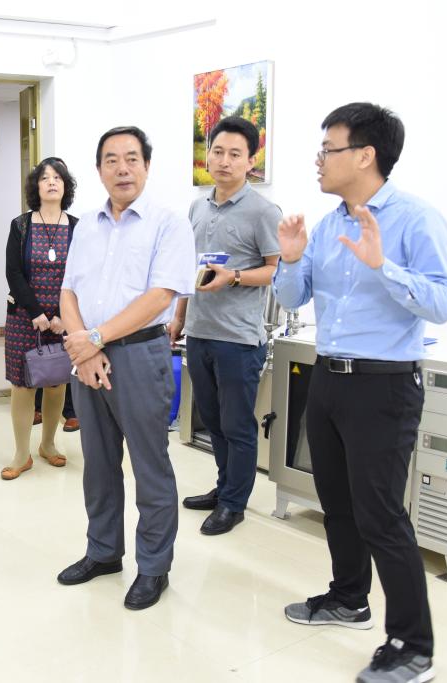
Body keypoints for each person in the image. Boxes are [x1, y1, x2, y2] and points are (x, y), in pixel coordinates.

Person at [274, 103, 447, 683]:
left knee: (381, 516)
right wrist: (290, 259)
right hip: (328, 377)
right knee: (338, 504)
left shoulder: (416, 219)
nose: (319, 160)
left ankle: (413, 647)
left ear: (364, 155)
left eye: (328, 149)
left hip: (384, 386)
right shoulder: (330, 223)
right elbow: (294, 296)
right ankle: (349, 599)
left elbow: (444, 302)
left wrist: (385, 267)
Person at [56, 127, 194, 610]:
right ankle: (103, 552)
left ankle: (153, 567)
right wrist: (86, 348)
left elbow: (160, 296)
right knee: (97, 463)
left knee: (149, 466)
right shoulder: (85, 226)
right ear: (99, 170)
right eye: (111, 160)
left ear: (147, 166)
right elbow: (68, 290)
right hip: (88, 356)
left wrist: (96, 339)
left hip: (139, 354)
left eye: (132, 158)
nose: (122, 168)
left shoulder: (169, 224)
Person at [170, 116, 282, 535]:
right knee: (213, 422)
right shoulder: (197, 207)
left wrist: (233, 276)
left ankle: (235, 503)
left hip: (238, 338)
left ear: (251, 161)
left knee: (237, 426)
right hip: (200, 333)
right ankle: (224, 488)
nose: (224, 160)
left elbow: (276, 270)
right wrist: (179, 317)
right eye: (217, 151)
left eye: (235, 154)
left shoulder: (263, 211)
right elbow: (189, 268)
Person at [2, 157, 79, 480]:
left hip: (65, 317)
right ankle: (22, 454)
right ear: (36, 186)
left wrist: (61, 315)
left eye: (57, 177)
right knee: (22, 385)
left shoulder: (77, 227)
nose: (51, 182)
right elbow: (13, 272)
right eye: (45, 178)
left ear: (65, 186)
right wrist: (36, 312)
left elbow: (80, 274)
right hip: (24, 316)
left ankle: (48, 444)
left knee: (56, 381)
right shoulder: (21, 225)